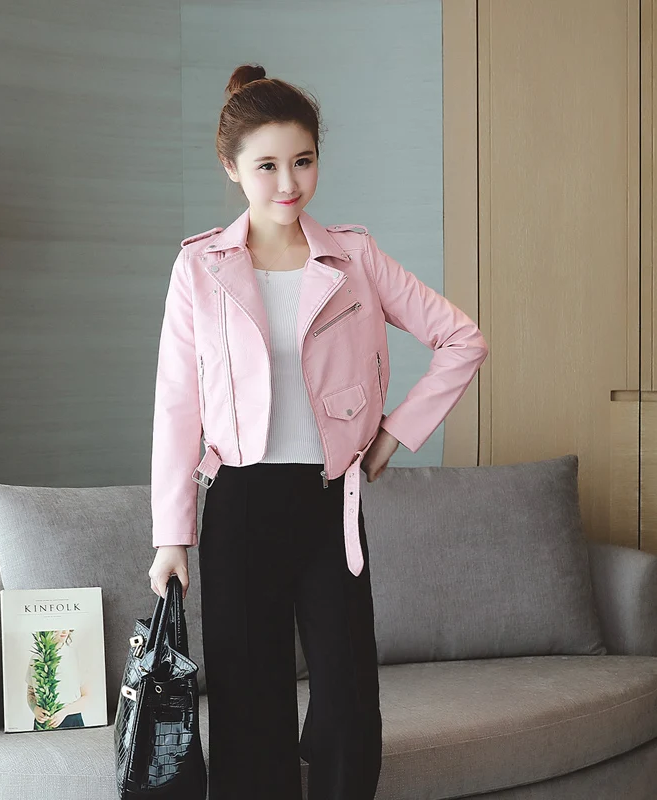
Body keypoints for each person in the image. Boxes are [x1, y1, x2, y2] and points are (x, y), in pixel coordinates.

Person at [148, 63, 489, 800]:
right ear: (231, 167)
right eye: (267, 166)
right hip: (239, 503)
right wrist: (171, 536)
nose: (288, 183)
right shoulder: (199, 267)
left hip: (331, 502)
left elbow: (462, 339)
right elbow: (177, 404)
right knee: (247, 706)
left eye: (302, 161)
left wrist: (394, 434)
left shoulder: (355, 257)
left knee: (347, 702)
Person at [26, 629, 89, 730]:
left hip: (72, 721)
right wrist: (35, 709)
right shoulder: (35, 659)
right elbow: (31, 693)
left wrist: (64, 712)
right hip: (43, 723)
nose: (64, 631)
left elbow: (87, 696)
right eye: (58, 627)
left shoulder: (76, 656)